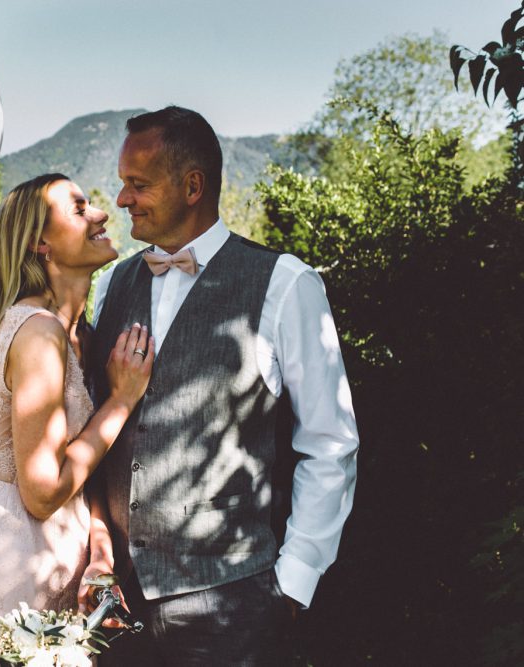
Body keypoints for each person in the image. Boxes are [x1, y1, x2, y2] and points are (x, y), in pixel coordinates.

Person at [73, 106, 360, 666]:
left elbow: (331, 443)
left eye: (139, 184)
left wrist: (294, 581)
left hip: (233, 607)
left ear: (193, 186)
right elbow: (88, 417)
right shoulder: (112, 284)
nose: (123, 199)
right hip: (118, 602)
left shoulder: (284, 283)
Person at [0, 173, 155, 658]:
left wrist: (101, 550)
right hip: (16, 582)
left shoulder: (80, 334)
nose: (102, 215)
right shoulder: (39, 333)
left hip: (65, 577)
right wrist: (122, 401)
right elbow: (42, 493)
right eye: (80, 209)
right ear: (40, 243)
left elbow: (77, 462)